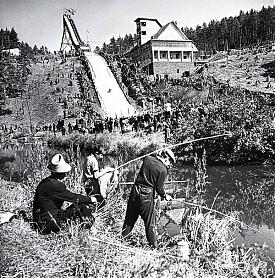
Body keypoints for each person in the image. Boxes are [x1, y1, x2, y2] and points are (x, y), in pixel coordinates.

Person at [122, 148, 176, 248]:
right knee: (150, 223)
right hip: (146, 195)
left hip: (135, 191)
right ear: (166, 158)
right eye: (170, 162)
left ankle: (122, 241)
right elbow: (159, 189)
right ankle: (154, 248)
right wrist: (165, 196)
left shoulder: (147, 159)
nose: (170, 164)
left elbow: (147, 155)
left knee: (129, 218)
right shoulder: (162, 170)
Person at [32, 154, 96, 234]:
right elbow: (73, 198)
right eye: (65, 173)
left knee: (76, 206)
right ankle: (90, 228)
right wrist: (91, 199)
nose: (66, 175)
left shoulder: (45, 182)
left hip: (39, 221)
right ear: (61, 174)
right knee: (81, 207)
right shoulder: (56, 185)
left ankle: (85, 226)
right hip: (47, 224)